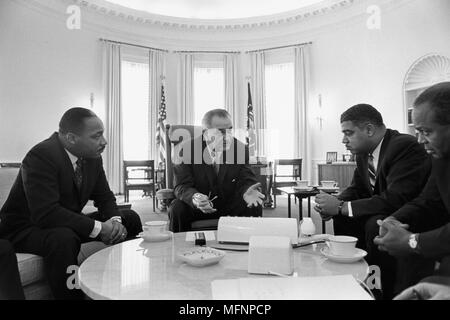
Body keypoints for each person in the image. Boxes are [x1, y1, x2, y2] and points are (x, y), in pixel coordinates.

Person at [0, 107, 142, 299]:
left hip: (65, 221)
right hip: (26, 228)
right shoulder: (41, 156)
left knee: (130, 219)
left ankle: (124, 286)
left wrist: (115, 222)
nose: (104, 142)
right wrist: (100, 229)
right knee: (63, 239)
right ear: (72, 138)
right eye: (96, 136)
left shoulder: (92, 158)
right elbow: (46, 213)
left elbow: (105, 197)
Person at [314, 103, 431, 299]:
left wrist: (341, 207)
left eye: (348, 133)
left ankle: (380, 288)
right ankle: (352, 272)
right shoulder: (363, 154)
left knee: (372, 224)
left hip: (409, 213)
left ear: (369, 129)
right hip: (385, 209)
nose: (344, 140)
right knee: (344, 217)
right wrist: (335, 202)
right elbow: (357, 189)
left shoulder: (403, 146)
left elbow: (397, 198)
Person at [374, 82, 450, 296]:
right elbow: (429, 200)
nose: (420, 140)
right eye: (417, 131)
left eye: (426, 131)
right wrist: (393, 219)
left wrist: (412, 241)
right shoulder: (441, 156)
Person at [168, 109, 264, 232]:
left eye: (230, 129)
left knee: (253, 204)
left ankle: (248, 248)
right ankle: (181, 249)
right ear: (205, 133)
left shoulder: (239, 149)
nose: (227, 136)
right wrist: (195, 198)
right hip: (198, 207)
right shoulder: (187, 149)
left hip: (228, 205)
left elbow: (246, 179)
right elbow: (181, 185)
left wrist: (247, 191)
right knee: (177, 208)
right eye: (221, 131)